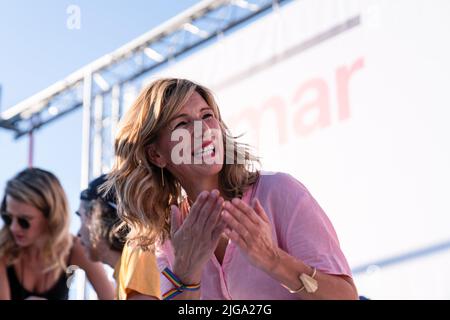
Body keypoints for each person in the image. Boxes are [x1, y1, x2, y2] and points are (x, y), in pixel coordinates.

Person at [107, 78, 358, 300]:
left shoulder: (278, 192)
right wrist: (186, 274)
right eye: (182, 124)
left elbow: (346, 297)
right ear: (156, 155)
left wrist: (273, 260)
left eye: (207, 116)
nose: (203, 130)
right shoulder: (167, 239)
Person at [0, 168, 114, 300]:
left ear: (50, 217)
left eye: (24, 221)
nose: (13, 227)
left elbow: (110, 296)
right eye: (8, 218)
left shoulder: (75, 248)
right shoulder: (3, 251)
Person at [77, 174, 160, 300]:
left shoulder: (139, 252)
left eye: (82, 218)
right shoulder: (126, 272)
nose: (78, 233)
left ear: (98, 214)